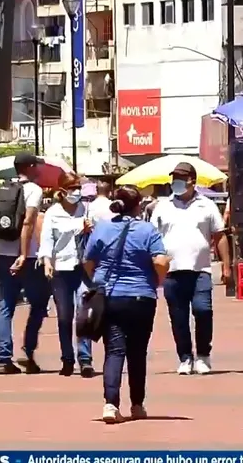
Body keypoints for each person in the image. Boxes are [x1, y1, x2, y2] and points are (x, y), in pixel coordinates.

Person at [84, 186, 170, 422]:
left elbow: (88, 261)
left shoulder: (102, 228)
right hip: (142, 298)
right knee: (137, 351)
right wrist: (157, 281)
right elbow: (160, 261)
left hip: (111, 297)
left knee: (114, 350)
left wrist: (97, 281)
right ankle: (137, 405)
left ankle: (110, 405)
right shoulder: (147, 230)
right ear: (137, 206)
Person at [151, 162, 230, 375]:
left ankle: (203, 355)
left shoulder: (206, 205)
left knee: (203, 311)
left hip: (201, 270)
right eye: (174, 178)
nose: (175, 182)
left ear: (192, 181)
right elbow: (151, 237)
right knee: (178, 317)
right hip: (171, 272)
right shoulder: (162, 206)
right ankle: (185, 357)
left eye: (180, 178)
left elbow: (219, 236)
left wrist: (226, 265)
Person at [0, 153, 51, 375]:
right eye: (36, 165)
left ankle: (3, 358)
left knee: (5, 306)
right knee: (38, 304)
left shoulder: (2, 187)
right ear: (29, 166)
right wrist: (24, 254)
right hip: (27, 257)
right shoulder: (33, 190)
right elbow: (28, 222)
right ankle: (28, 351)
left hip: (2, 253)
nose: (39, 169)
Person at [39, 180, 94, 377]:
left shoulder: (85, 209)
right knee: (64, 316)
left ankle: (85, 359)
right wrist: (46, 261)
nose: (76, 192)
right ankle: (67, 358)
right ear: (62, 191)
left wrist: (89, 229)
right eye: (72, 189)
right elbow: (47, 239)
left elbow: (95, 238)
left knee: (84, 314)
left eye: (78, 188)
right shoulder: (53, 213)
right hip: (60, 269)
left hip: (82, 267)